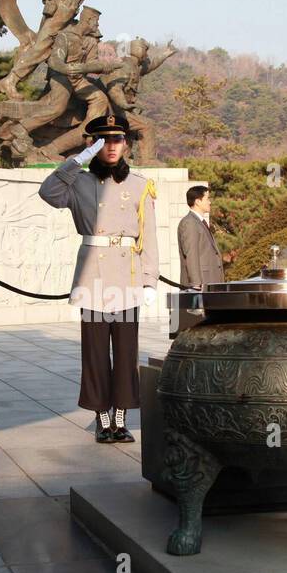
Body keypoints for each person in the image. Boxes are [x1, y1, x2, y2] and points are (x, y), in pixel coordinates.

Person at [39, 114, 158, 442]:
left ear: (126, 144)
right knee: (94, 352)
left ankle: (120, 415)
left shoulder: (140, 184)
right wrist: (78, 160)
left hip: (126, 278)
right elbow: (47, 193)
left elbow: (148, 237)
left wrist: (149, 281)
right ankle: (101, 417)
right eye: (103, 141)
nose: (111, 147)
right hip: (94, 279)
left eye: (117, 140)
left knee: (125, 350)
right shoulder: (78, 182)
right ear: (94, 145)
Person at [174, 184, 223, 335]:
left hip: (209, 283)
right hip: (201, 285)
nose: (210, 202)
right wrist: (196, 286)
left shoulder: (199, 222)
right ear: (197, 201)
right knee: (199, 331)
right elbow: (192, 255)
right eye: (207, 198)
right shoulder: (189, 223)